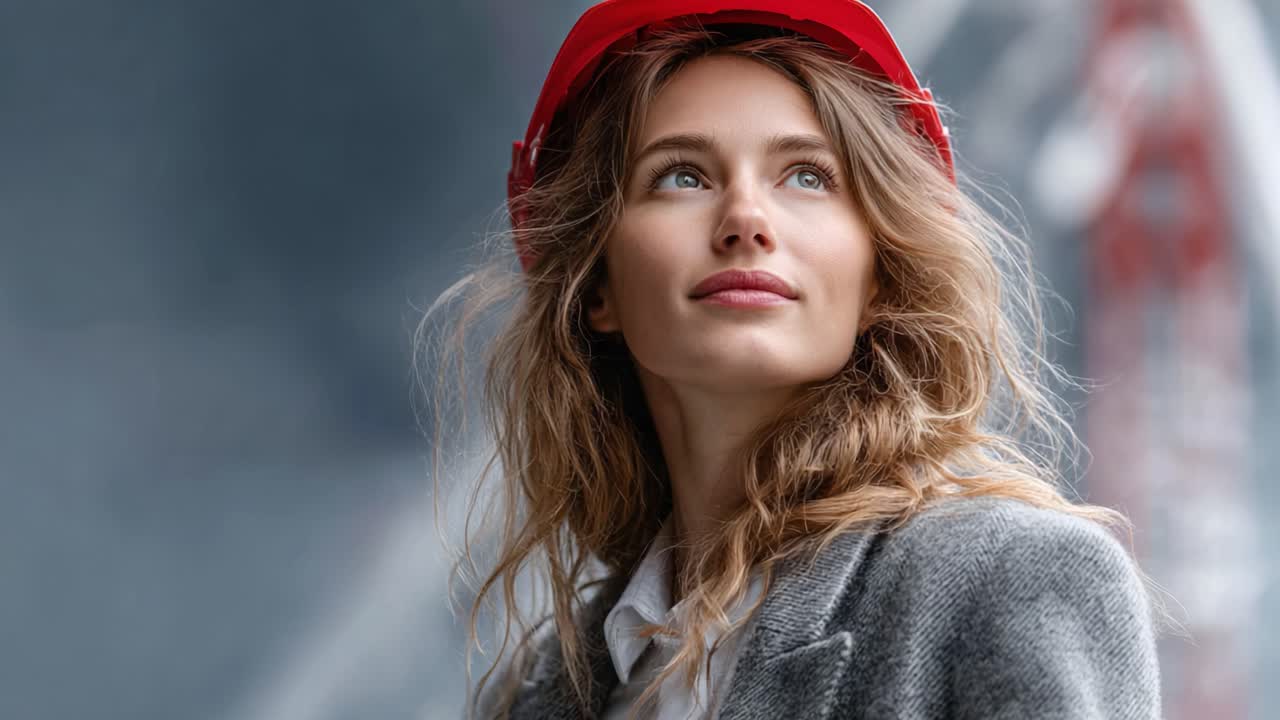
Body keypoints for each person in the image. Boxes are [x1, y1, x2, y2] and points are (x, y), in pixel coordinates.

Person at [424, 1, 1169, 718]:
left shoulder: (1012, 583)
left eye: (807, 176)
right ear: (596, 287)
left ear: (880, 277)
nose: (746, 218)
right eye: (681, 175)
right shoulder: (541, 695)